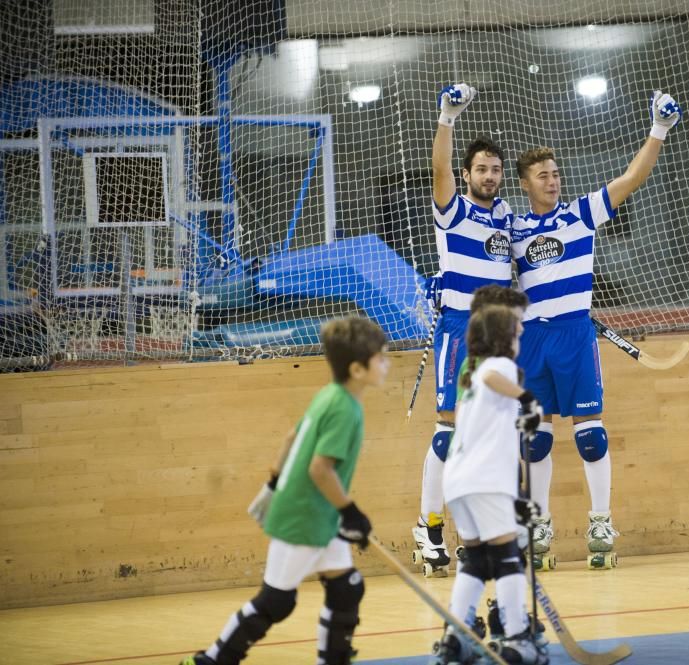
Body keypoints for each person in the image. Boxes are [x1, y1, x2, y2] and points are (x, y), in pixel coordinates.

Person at [510, 89, 682, 567]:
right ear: (525, 183)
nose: (552, 181)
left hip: (574, 336)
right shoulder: (515, 228)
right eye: (543, 175)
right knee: (536, 438)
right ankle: (539, 527)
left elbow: (632, 178)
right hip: (533, 341)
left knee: (591, 435)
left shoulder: (581, 213)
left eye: (556, 173)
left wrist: (659, 130)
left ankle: (601, 522)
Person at [179, 317, 389, 665]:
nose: (387, 363)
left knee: (346, 588)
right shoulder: (344, 408)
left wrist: (275, 480)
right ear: (357, 368)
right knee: (275, 602)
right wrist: (351, 511)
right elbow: (319, 469)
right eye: (381, 358)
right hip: (304, 517)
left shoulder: (331, 395)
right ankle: (211, 661)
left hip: (318, 515)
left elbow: (293, 436)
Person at [414, 83, 515, 576]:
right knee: (447, 431)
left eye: (496, 170)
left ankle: (474, 534)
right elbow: (438, 169)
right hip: (458, 329)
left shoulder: (507, 219)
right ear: (467, 174)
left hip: (495, 339)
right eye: (481, 169)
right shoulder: (452, 209)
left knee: (486, 435)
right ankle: (428, 527)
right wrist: (447, 118)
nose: (490, 176)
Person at [429, 305, 545, 665]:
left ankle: (456, 638)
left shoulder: (470, 384)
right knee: (508, 558)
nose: (520, 337)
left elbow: (481, 432)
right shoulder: (500, 367)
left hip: (459, 481)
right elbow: (499, 377)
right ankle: (516, 638)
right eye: (516, 333)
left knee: (477, 560)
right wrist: (527, 401)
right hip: (483, 481)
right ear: (502, 339)